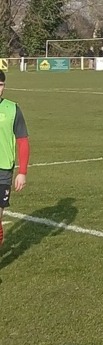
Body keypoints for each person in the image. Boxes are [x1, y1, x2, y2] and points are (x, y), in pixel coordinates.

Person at [0, 70, 30, 247]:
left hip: (3, 170)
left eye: (1, 85)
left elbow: (23, 141)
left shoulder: (13, 109)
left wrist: (23, 172)